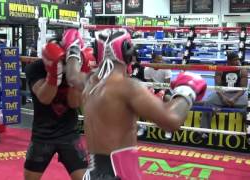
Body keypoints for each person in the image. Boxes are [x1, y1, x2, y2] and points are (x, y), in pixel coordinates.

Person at [65, 28, 207, 180]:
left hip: (92, 173)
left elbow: (72, 75)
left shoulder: (88, 81)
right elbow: (171, 120)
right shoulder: (128, 87)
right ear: (127, 52)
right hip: (119, 173)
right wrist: (187, 90)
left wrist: (73, 48)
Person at [24, 29, 90, 180]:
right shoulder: (36, 68)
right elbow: (44, 98)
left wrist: (77, 74)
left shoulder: (78, 67)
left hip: (69, 134)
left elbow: (74, 103)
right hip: (42, 135)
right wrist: (54, 74)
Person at [199, 52, 248, 138]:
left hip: (238, 94)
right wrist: (223, 97)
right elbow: (217, 87)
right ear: (229, 61)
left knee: (248, 106)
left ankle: (248, 132)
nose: (237, 61)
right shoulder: (221, 69)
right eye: (235, 60)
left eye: (238, 59)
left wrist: (234, 98)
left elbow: (243, 89)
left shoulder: (242, 69)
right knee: (208, 103)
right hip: (223, 93)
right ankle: (204, 130)